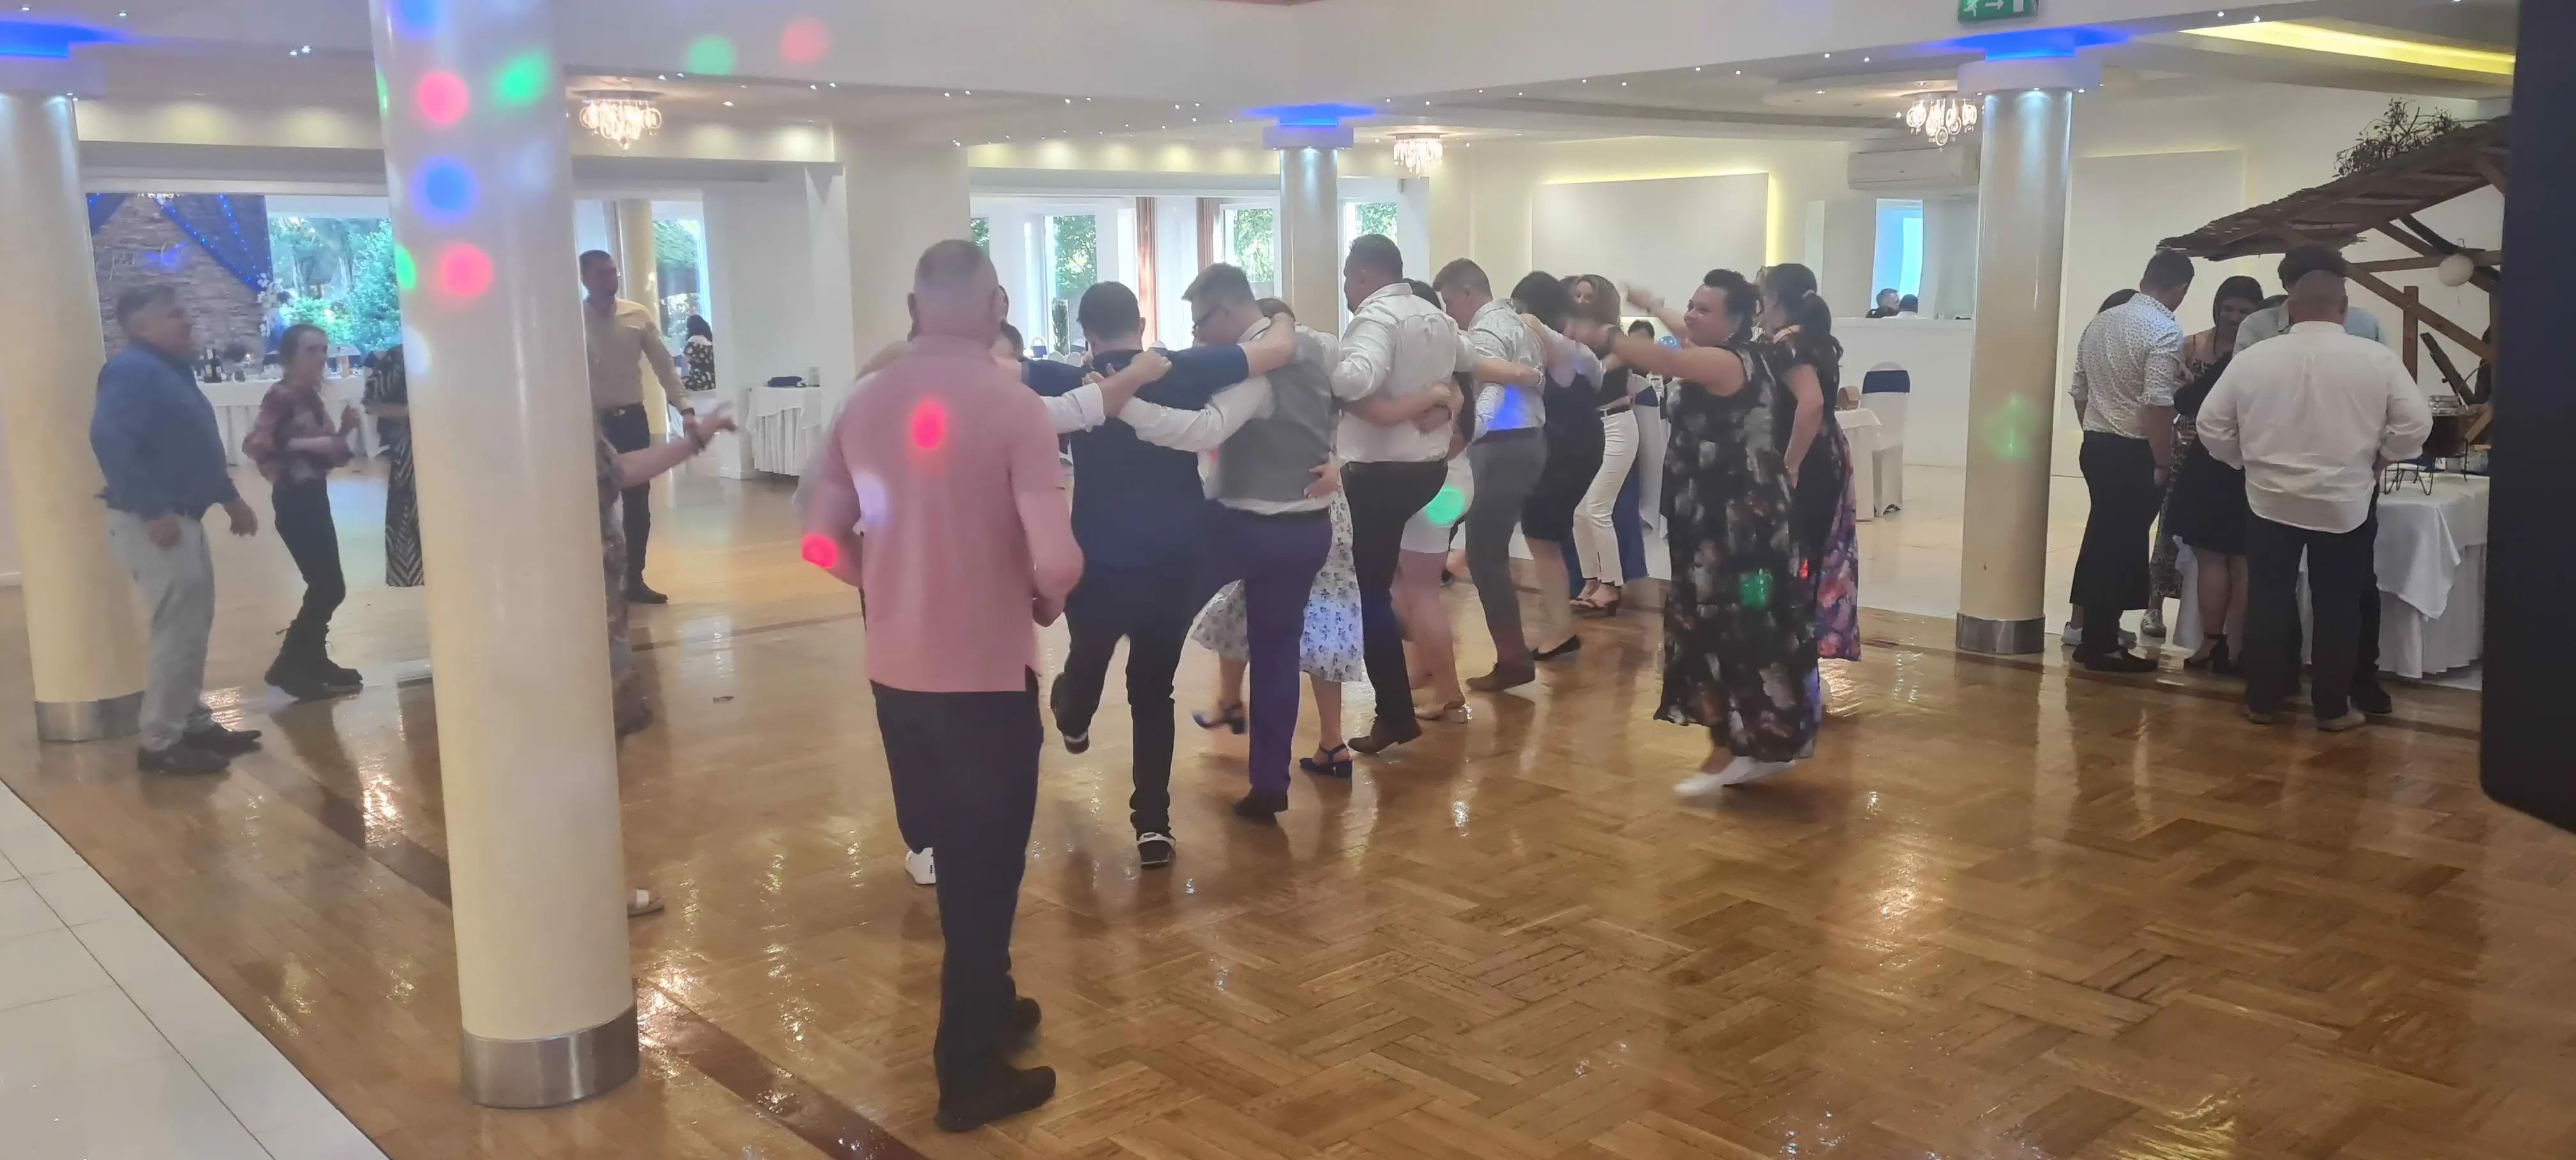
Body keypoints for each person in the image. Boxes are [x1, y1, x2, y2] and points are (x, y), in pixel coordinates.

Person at [802, 240, 1074, 1131]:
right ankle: (967, 1075)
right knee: (984, 871)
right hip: (984, 680)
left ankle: (990, 1002)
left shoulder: (864, 402)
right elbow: (1058, 560)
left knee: (954, 852)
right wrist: (1042, 601)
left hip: (897, 676)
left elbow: (820, 538)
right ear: (998, 308)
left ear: (913, 309)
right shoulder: (1015, 407)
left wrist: (883, 584)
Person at [1038, 280, 1300, 871]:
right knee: (1153, 691)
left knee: (1087, 662)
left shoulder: (1066, 380)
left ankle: (1072, 715)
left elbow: (999, 372)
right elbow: (1276, 352)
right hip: (1172, 561)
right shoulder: (1183, 370)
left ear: (1086, 334)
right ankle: (1153, 825)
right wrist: (1281, 321)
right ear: (1140, 322)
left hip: (1099, 563)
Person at [1115, 264, 1346, 821]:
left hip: (1243, 527)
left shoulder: (1258, 371)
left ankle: (1142, 710)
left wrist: (1119, 404)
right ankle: (1270, 783)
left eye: (1200, 323)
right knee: (1276, 655)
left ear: (1225, 310)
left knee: (1161, 617)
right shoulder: (1315, 346)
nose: (1197, 336)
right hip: (1308, 529)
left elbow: (1204, 431)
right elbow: (1350, 401)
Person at [1573, 271, 1814, 791]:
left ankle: (1741, 747)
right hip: (1715, 520)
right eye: (1692, 306)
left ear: (1735, 321)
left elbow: (1667, 359)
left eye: (1706, 310)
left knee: (1737, 624)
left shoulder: (1726, 362)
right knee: (1725, 623)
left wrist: (1601, 332)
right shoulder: (1732, 352)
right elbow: (1682, 334)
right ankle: (1755, 742)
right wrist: (1654, 303)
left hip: (1740, 526)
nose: (1691, 316)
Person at [2196, 271, 2430, 730]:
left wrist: (2243, 461)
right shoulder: (2377, 359)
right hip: (2344, 500)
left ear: (2288, 311)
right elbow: (2416, 424)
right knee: (2338, 603)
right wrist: (2382, 459)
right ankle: (2333, 708)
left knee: (2269, 597)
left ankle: (2262, 701)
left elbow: (2210, 424)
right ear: (2343, 310)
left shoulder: (2253, 358)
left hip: (2269, 498)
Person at [90, 284, 266, 775]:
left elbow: (191, 444)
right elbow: (109, 439)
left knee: (192, 626)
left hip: (180, 514)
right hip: (156, 521)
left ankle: (192, 724)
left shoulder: (168, 370)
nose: (187, 321)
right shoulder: (131, 371)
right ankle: (160, 743)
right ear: (139, 326)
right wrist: (153, 510)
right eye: (173, 315)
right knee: (178, 631)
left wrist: (230, 499)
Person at [1328, 236, 1481, 756]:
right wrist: (1445, 395)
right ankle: (1423, 692)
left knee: (1373, 594)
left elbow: (1353, 382)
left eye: (1347, 278)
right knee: (1410, 588)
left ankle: (1397, 711)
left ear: (1362, 274)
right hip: (1432, 478)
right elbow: (1470, 357)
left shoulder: (1376, 319)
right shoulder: (1436, 316)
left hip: (1382, 479)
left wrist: (1316, 355)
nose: (1347, 289)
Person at [1431, 260, 1563, 694]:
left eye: (1450, 301)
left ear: (1468, 293)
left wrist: (1462, 438)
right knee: (1480, 548)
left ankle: (1512, 658)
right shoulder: (1515, 320)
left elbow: (1490, 388)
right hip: (1522, 443)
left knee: (1485, 554)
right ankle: (1507, 656)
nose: (1450, 311)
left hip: (1503, 445)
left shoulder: (1486, 329)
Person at [2066, 250, 2195, 672]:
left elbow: (2080, 391)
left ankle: (2094, 635)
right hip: (2135, 451)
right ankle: (2101, 644)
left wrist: (2097, 431)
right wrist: (2162, 462)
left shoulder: (2102, 322)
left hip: (2097, 446)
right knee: (2122, 546)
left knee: (2103, 540)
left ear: (2146, 279)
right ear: (2181, 289)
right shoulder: (2163, 329)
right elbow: (2157, 404)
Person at [241, 323, 364, 700]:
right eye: (312, 350)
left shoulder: (309, 397)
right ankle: (288, 666)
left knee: (327, 585)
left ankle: (311, 660)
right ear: (290, 356)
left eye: (324, 349)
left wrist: (342, 434)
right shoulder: (281, 396)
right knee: (328, 586)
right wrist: (314, 443)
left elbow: (331, 455)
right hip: (295, 499)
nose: (321, 357)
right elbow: (255, 445)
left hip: (313, 495)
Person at [1758, 264, 1861, 669]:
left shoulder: (1789, 345)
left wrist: (1790, 465)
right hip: (1826, 454)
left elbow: (1812, 403)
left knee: (1791, 556)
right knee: (1807, 556)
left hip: (1807, 459)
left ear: (1772, 299)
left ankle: (1786, 652)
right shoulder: (1815, 340)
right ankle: (1797, 652)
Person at [2161, 276, 2266, 671]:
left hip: (2210, 466)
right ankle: (2241, 650)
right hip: (2256, 469)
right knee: (2244, 562)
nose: (2235, 318)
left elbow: (2188, 402)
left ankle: (2211, 643)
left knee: (2212, 561)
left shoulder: (2236, 361)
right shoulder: (2285, 364)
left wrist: (2191, 385)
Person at [580, 250, 690, 606]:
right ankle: (597, 581)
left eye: (613, 272)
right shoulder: (571, 319)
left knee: (638, 503)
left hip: (631, 420)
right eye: (601, 274)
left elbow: (664, 367)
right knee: (593, 503)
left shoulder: (637, 315)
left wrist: (685, 409)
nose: (610, 280)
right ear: (584, 278)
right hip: (591, 425)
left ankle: (634, 579)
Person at [1523, 275, 1611, 646]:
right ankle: (1560, 626)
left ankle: (1561, 630)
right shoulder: (1574, 348)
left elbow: (1566, 378)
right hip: (1574, 444)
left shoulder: (1560, 346)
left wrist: (1536, 330)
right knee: (1545, 537)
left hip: (1566, 448)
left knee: (1542, 537)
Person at [2237, 245, 2384, 351]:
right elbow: (2241, 381)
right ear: (2288, 286)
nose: (2321, 292)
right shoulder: (2257, 327)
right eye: (2311, 284)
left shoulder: (2365, 324)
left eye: (2328, 283)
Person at [362, 346, 422, 588]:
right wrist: (417, 411)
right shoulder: (400, 356)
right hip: (412, 454)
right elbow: (371, 403)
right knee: (414, 527)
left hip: (461, 455)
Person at [681, 314, 717, 396]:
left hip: (700, 379)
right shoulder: (710, 340)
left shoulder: (694, 340)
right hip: (713, 380)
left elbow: (684, 362)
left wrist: (683, 377)